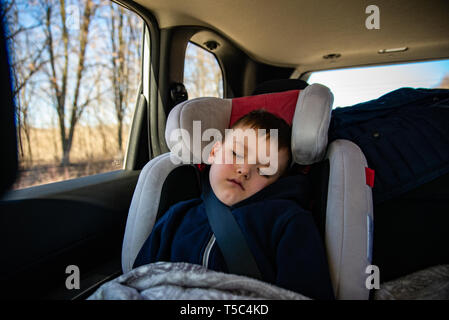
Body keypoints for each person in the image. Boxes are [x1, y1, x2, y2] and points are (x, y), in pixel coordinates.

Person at [133, 110, 335, 300]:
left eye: (265, 170)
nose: (245, 169)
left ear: (276, 184)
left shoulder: (288, 222)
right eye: (237, 154)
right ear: (214, 152)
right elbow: (139, 280)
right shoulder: (177, 217)